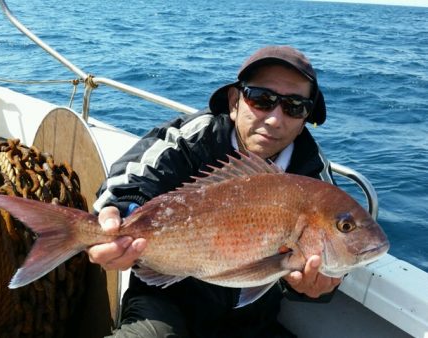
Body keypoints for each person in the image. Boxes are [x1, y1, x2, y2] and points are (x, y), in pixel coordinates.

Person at [88, 45, 342, 338]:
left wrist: (317, 285)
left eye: (294, 106)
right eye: (262, 99)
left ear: (303, 121)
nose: (274, 118)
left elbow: (332, 247)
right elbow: (133, 180)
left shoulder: (313, 173)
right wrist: (121, 217)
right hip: (166, 299)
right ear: (234, 102)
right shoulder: (198, 135)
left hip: (250, 320)